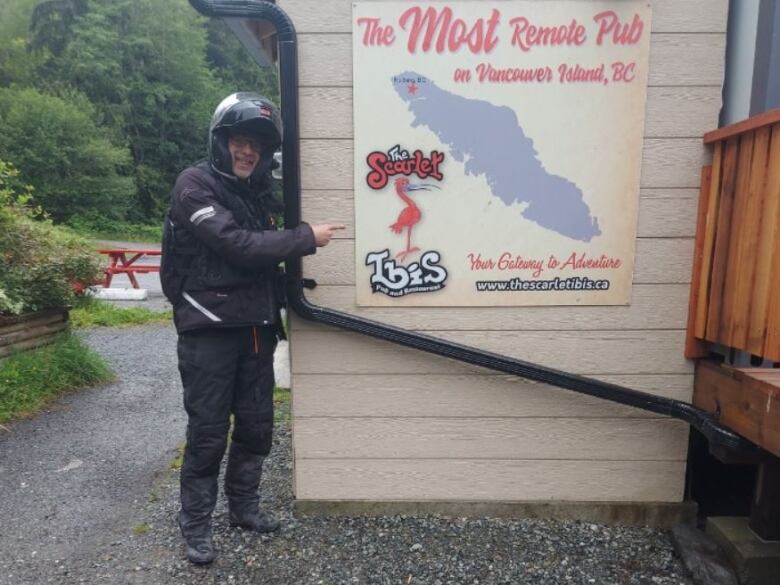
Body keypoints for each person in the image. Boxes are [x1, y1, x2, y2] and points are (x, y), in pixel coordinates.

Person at [161, 92, 344, 564]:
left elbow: (260, 254)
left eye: (256, 148)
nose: (248, 153)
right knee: (207, 432)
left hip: (257, 329)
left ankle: (244, 508)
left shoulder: (255, 195)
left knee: (258, 425)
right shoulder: (193, 185)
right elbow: (237, 245)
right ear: (221, 142)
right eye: (241, 142)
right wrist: (306, 238)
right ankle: (196, 527)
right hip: (209, 331)